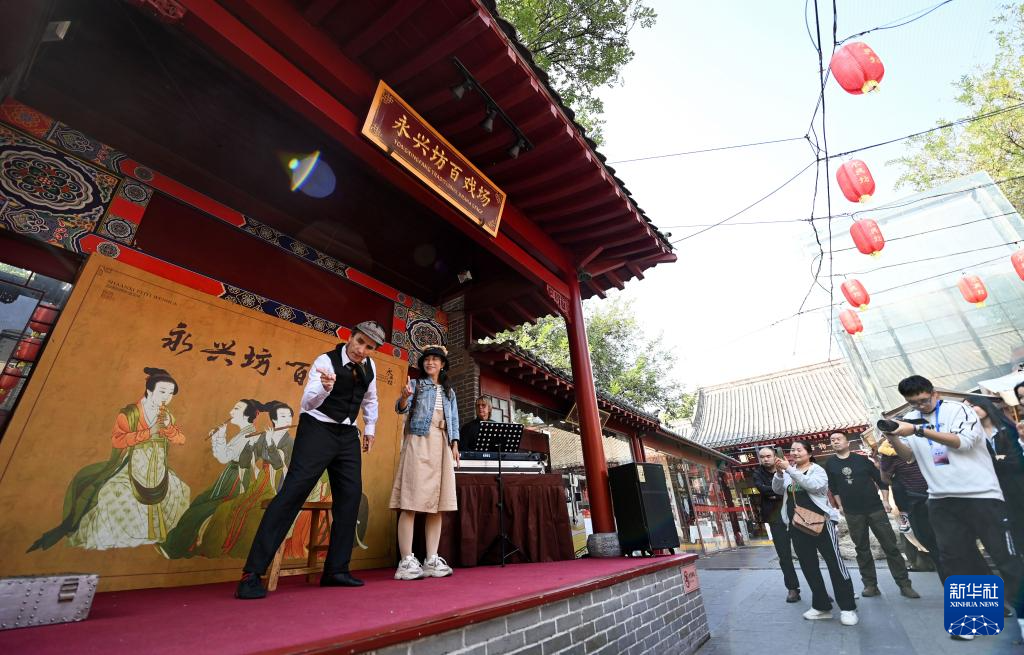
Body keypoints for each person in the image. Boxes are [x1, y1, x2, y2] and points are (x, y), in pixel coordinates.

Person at [235, 320, 384, 599]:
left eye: (370, 347)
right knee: (292, 493)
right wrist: (326, 388)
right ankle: (252, 573)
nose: (362, 350)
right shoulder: (325, 362)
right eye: (360, 342)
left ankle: (336, 570)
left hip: (347, 434)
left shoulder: (369, 367)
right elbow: (307, 403)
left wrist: (370, 429)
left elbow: (370, 399)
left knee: (350, 497)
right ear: (350, 337)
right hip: (317, 429)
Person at [883, 375, 1024, 641]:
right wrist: (894, 437)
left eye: (924, 400)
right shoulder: (911, 419)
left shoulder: (959, 410)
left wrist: (918, 430)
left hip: (981, 494)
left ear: (934, 393)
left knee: (1005, 558)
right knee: (957, 562)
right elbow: (909, 457)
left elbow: (964, 442)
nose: (920, 406)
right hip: (940, 498)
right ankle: (974, 622)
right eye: (914, 402)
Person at [30, 368, 190, 551]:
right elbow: (118, 440)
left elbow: (180, 440)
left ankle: (158, 536)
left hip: (159, 469)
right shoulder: (130, 414)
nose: (166, 397)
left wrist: (169, 428)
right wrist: (148, 433)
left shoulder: (167, 416)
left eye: (170, 393)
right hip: (134, 466)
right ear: (149, 390)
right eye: (162, 391)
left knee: (180, 491)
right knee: (112, 492)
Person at [390, 345, 460, 580]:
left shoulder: (450, 391)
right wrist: (404, 397)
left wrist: (455, 444)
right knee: (410, 500)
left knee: (438, 503)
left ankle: (431, 559)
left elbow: (454, 420)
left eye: (435, 359)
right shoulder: (416, 385)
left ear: (442, 365)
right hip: (419, 440)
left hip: (442, 444)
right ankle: (406, 561)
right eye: (427, 359)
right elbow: (400, 409)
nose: (430, 362)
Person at [772, 440, 858, 626]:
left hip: (821, 523)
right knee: (808, 566)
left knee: (835, 563)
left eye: (799, 450)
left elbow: (814, 486)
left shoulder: (817, 470)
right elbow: (778, 490)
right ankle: (821, 606)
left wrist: (789, 469)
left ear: (809, 453)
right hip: (797, 525)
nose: (795, 453)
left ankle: (848, 607)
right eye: (792, 450)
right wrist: (779, 473)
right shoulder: (788, 472)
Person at [824, 433, 919, 599]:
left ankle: (904, 584)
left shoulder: (862, 460)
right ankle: (870, 585)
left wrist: (885, 500)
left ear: (847, 442)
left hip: (875, 509)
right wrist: (840, 505)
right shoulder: (830, 463)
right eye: (832, 440)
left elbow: (881, 480)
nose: (835, 441)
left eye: (839, 439)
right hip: (852, 512)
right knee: (861, 549)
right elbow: (834, 487)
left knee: (891, 547)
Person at [877, 440, 944, 581]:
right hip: (921, 499)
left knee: (939, 544)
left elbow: (886, 478)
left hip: (927, 498)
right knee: (935, 543)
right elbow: (885, 479)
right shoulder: (888, 451)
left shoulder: (928, 441)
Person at [966, 394, 1024, 553]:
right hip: (996, 489)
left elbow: (1017, 460)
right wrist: (999, 459)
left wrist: (994, 460)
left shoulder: (1007, 428)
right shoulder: (974, 436)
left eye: (972, 405)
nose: (970, 410)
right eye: (966, 408)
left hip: (1018, 483)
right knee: (1013, 529)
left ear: (983, 404)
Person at [752, 446, 801, 602]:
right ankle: (792, 588)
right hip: (775, 518)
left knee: (805, 552)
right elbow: (763, 490)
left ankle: (817, 588)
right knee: (784, 555)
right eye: (762, 457)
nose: (765, 459)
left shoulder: (787, 468)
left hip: (794, 514)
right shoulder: (757, 473)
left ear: (775, 456)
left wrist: (775, 492)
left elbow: (796, 487)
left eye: (768, 456)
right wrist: (782, 491)